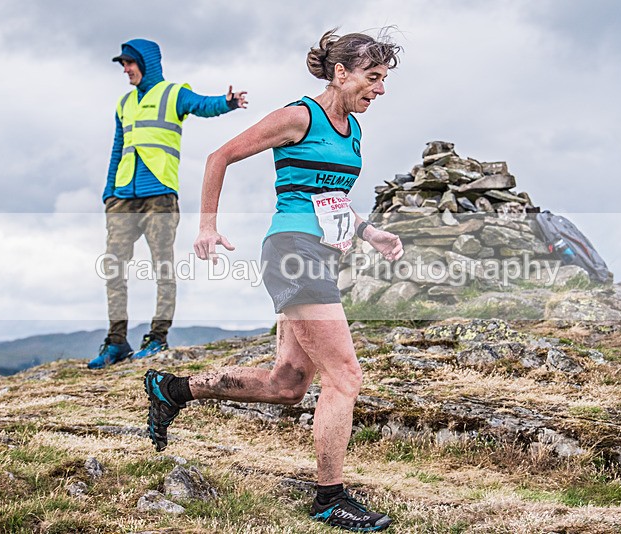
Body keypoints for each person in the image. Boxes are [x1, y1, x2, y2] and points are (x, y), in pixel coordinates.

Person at [143, 29, 403, 531]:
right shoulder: (298, 116)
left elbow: (330, 199)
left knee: (287, 384)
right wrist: (207, 227)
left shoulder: (352, 129)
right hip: (292, 252)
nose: (380, 89)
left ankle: (173, 389)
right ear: (341, 72)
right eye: (373, 77)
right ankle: (329, 498)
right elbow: (219, 156)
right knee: (345, 375)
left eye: (384, 79)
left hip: (319, 255)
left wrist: (369, 232)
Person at [88, 39, 248, 369]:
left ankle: (157, 337)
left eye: (129, 63)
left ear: (146, 62)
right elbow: (118, 149)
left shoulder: (173, 94)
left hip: (160, 195)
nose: (125, 69)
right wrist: (108, 192)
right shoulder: (124, 104)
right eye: (122, 65)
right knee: (114, 267)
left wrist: (228, 102)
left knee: (162, 266)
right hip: (122, 198)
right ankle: (116, 342)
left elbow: (202, 104)